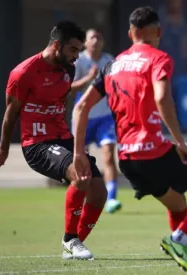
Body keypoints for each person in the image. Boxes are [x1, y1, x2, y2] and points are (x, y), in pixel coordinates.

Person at [72, 7, 187, 274]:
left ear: (130, 33)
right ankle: (179, 239)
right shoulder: (159, 59)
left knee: (177, 203)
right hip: (153, 153)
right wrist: (180, 142)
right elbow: (162, 98)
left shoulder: (111, 65)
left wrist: (79, 153)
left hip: (127, 159)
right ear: (158, 32)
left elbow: (80, 108)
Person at [0, 20, 107, 260]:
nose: (77, 56)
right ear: (57, 45)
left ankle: (75, 244)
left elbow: (61, 101)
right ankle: (70, 240)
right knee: (80, 173)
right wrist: (4, 148)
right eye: (73, 50)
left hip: (62, 138)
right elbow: (10, 114)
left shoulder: (68, 68)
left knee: (99, 192)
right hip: (37, 144)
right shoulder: (23, 72)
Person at [71, 28, 121, 214]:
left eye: (100, 37)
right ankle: (83, 197)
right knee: (82, 161)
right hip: (83, 117)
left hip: (105, 118)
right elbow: (70, 87)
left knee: (108, 154)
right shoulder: (79, 60)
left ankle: (112, 198)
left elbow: (119, 84)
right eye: (92, 37)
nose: (96, 40)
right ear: (85, 42)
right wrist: (89, 78)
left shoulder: (109, 60)